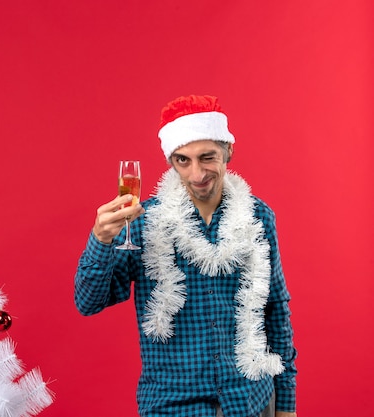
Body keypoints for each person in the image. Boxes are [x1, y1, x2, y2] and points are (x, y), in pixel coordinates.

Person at [74, 95, 297, 417]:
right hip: (173, 405)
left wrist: (287, 405)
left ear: (228, 152)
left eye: (207, 157)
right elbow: (88, 302)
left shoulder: (258, 216)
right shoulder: (143, 222)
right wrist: (101, 239)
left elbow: (275, 308)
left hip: (251, 400)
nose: (196, 174)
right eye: (183, 160)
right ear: (170, 161)